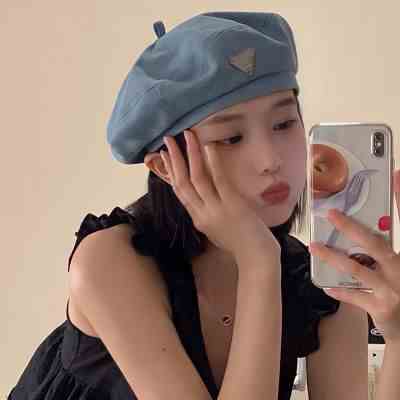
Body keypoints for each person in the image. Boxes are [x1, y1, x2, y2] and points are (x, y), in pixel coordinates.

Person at [7, 11, 400, 400]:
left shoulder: (317, 276)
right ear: (165, 166)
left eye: (283, 124)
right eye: (231, 138)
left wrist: (397, 337)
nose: (270, 160)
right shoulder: (109, 261)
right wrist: (258, 263)